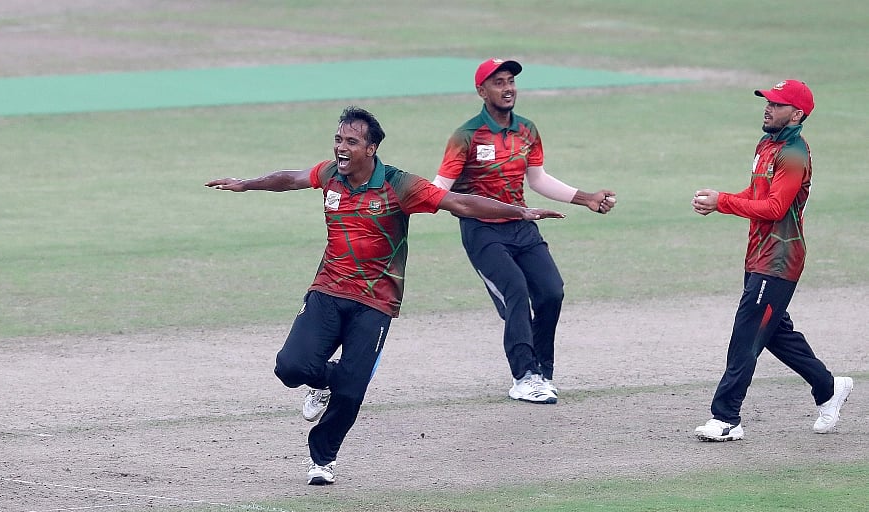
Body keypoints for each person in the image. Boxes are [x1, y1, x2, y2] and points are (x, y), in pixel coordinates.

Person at [206, 106, 563, 485]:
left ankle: (323, 459)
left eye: (351, 142)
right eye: (339, 139)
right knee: (291, 367)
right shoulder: (330, 173)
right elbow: (290, 178)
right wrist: (247, 183)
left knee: (353, 391)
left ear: (371, 148)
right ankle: (327, 381)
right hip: (327, 290)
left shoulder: (399, 185)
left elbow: (458, 202)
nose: (341, 148)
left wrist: (519, 212)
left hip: (376, 302)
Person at [432, 57, 617, 404]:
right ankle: (524, 376)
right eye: (499, 82)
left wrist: (587, 198)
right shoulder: (466, 135)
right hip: (482, 232)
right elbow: (439, 188)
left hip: (521, 224)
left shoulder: (527, 130)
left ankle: (542, 371)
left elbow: (538, 180)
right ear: (481, 91)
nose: (508, 88)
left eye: (511, 81)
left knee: (551, 292)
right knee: (515, 290)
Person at [691, 80, 852, 442]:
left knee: (747, 335)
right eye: (768, 101)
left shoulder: (794, 153)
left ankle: (726, 417)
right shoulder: (766, 144)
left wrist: (723, 202)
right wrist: (720, 200)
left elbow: (776, 207)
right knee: (775, 333)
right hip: (758, 254)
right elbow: (757, 194)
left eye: (777, 104)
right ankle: (828, 387)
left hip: (780, 259)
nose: (768, 107)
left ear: (796, 114)